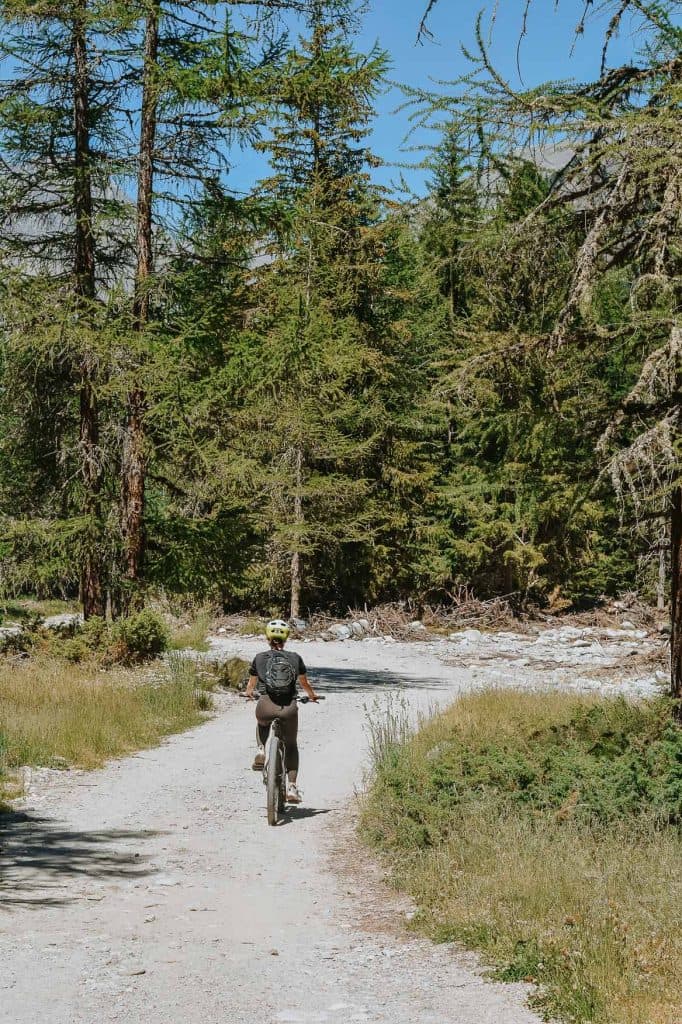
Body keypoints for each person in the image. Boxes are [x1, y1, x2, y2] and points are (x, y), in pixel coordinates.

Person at [243, 619, 319, 804]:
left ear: (267, 637)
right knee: (291, 745)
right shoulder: (294, 658)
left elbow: (251, 684)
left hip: (265, 706)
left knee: (262, 723)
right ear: (286, 638)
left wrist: (248, 693)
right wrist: (312, 696)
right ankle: (292, 788)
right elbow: (304, 683)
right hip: (288, 708)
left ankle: (261, 750)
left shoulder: (259, 658)